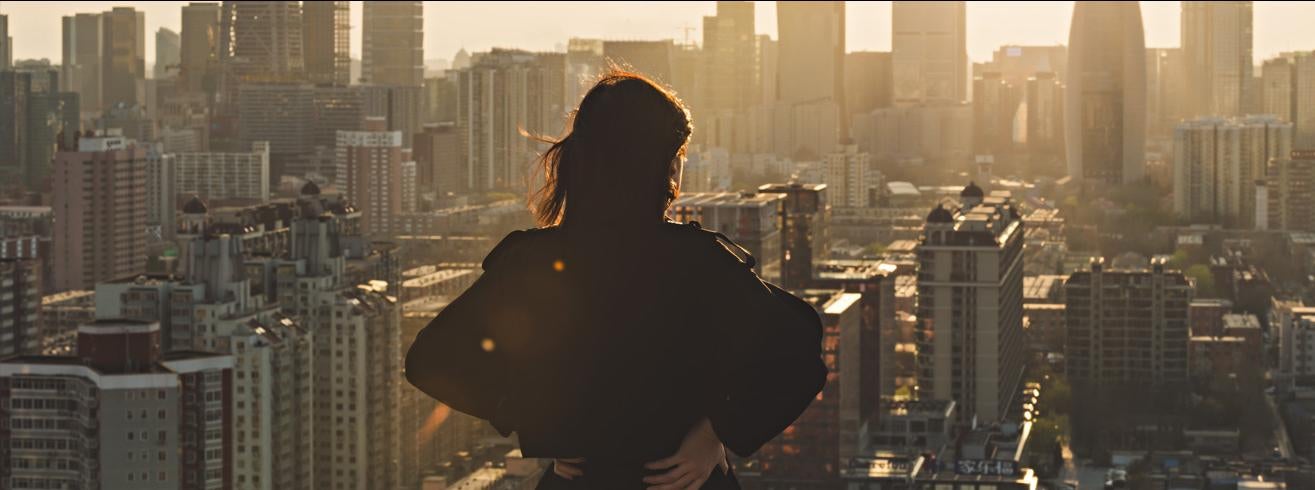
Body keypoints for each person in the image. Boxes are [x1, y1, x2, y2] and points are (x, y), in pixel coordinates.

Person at [405, 69, 828, 490]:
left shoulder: (532, 262)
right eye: (676, 154)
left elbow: (432, 359)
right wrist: (716, 431)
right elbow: (800, 350)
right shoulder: (700, 262)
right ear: (659, 165)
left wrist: (536, 420)